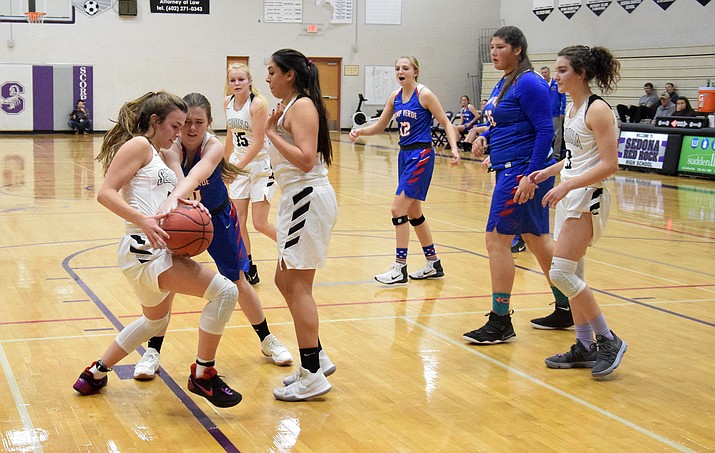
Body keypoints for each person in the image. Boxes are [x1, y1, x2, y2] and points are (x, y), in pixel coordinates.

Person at [73, 91, 242, 408]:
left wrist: (193, 210)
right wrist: (145, 221)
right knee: (226, 292)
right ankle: (203, 375)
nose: (179, 133)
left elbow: (173, 199)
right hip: (144, 247)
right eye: (175, 126)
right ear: (155, 121)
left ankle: (95, 372)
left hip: (148, 251)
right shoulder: (138, 145)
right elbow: (106, 193)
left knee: (153, 323)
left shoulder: (160, 154)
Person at [133, 92, 292, 381]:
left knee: (237, 280)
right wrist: (178, 201)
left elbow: (195, 177)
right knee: (166, 286)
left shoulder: (214, 147)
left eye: (199, 122)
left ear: (209, 123)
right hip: (180, 220)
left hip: (217, 216)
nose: (192, 129)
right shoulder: (170, 147)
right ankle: (152, 351)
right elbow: (180, 178)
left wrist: (177, 196)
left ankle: (268, 340)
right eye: (187, 123)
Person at [462, 26, 573, 344]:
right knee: (537, 241)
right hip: (510, 168)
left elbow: (543, 131)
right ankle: (566, 307)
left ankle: (500, 320)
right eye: (492, 47)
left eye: (500, 47)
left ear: (518, 50)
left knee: (496, 242)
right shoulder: (505, 80)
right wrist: (486, 139)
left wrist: (531, 175)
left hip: (522, 174)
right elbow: (505, 123)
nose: (494, 52)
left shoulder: (529, 82)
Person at [528, 45, 627, 377]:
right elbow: (574, 158)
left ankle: (608, 338)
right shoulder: (572, 108)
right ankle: (584, 346)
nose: (555, 76)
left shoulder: (598, 110)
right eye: (555, 70)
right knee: (574, 274)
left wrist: (568, 185)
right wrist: (549, 171)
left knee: (561, 274)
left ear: (581, 73)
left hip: (588, 198)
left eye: (562, 70)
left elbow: (609, 164)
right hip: (570, 194)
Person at [264, 49, 338, 401]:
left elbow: (307, 160)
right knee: (284, 280)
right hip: (297, 197)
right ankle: (317, 357)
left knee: (299, 286)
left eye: (272, 72)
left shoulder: (303, 106)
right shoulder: (292, 106)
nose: (268, 78)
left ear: (290, 75)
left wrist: (270, 132)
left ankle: (312, 372)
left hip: (306, 196)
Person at [350, 56, 460, 285]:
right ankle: (433, 263)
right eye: (398, 68)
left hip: (421, 155)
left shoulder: (425, 95)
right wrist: (360, 131)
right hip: (404, 154)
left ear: (415, 71)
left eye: (405, 68)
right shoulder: (395, 97)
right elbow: (380, 126)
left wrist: (454, 149)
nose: (400, 72)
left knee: (397, 209)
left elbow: (446, 122)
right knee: (413, 213)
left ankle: (400, 268)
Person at [225, 63, 278, 286]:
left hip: (260, 166)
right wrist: (224, 164)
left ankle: (295, 248)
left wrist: (236, 169)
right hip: (240, 164)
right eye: (233, 80)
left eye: (241, 79)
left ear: (249, 81)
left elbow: (257, 143)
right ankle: (249, 268)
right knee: (238, 221)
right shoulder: (227, 103)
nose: (236, 83)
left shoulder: (257, 104)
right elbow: (230, 136)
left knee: (260, 223)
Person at [540, 66, 566, 157]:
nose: (544, 74)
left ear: (549, 72)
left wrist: (562, 111)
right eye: (542, 73)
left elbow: (563, 97)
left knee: (557, 135)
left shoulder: (556, 83)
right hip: (544, 115)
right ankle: (546, 155)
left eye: (545, 72)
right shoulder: (541, 84)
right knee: (546, 135)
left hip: (556, 114)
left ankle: (556, 155)